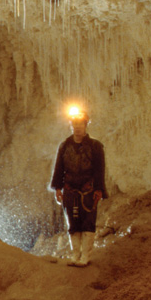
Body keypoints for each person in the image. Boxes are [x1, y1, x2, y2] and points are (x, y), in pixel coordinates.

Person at [49, 105, 106, 266]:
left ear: (86, 125)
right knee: (73, 223)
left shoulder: (95, 146)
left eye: (81, 124)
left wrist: (99, 189)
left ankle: (85, 256)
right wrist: (58, 189)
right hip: (70, 191)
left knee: (88, 222)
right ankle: (75, 255)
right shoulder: (65, 146)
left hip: (88, 191)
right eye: (75, 125)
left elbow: (99, 170)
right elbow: (59, 168)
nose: (78, 128)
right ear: (71, 126)